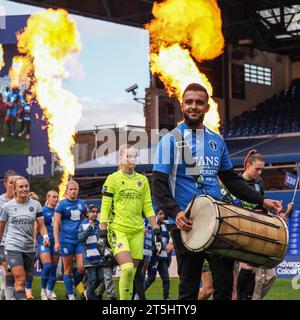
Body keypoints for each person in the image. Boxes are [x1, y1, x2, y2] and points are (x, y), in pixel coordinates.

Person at [152, 83, 283, 300]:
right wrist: (176, 212)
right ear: (182, 105)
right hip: (187, 223)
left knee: (223, 286)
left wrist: (262, 200)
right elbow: (158, 183)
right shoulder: (170, 140)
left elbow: (231, 179)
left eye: (199, 102)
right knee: (188, 288)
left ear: (207, 107)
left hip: (219, 221)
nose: (193, 106)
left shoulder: (216, 140)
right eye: (189, 102)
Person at [99, 144, 162, 300]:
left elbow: (147, 206)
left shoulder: (143, 180)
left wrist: (156, 229)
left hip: (137, 231)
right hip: (118, 229)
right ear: (121, 158)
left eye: (135, 155)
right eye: (129, 155)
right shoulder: (113, 179)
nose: (133, 158)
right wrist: (102, 230)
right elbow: (105, 206)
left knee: (133, 272)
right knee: (126, 269)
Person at [0, 176, 50, 300]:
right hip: (12, 246)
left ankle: (14, 297)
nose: (24, 189)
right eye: (21, 186)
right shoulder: (7, 206)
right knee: (20, 278)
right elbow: (1, 227)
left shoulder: (36, 205)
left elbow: (42, 225)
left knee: (24, 279)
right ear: (15, 189)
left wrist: (45, 236)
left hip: (29, 247)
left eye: (26, 186)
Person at [53, 180, 86, 300]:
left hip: (79, 241)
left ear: (78, 190)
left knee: (81, 268)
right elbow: (56, 224)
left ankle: (75, 287)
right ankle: (71, 295)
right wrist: (56, 242)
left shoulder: (82, 204)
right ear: (67, 190)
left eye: (75, 189)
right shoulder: (61, 205)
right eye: (71, 189)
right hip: (66, 240)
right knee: (67, 269)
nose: (73, 191)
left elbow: (88, 219)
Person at [37, 190, 60, 300]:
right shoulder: (42, 210)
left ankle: (49, 292)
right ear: (48, 197)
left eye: (57, 197)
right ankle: (43, 291)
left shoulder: (59, 211)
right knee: (47, 266)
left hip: (56, 242)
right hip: (44, 241)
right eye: (54, 197)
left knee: (53, 270)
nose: (56, 199)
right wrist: (34, 239)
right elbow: (37, 226)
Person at [145, 209, 171, 300]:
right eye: (160, 214)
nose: (162, 216)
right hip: (154, 257)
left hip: (163, 257)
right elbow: (152, 240)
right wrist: (164, 246)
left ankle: (166, 298)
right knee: (151, 279)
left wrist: (167, 248)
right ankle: (139, 294)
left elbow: (168, 240)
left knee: (166, 279)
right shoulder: (152, 226)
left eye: (163, 214)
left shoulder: (165, 226)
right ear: (156, 214)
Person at [78, 205, 103, 300]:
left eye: (97, 212)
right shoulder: (82, 224)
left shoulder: (99, 224)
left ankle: (89, 294)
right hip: (82, 254)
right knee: (77, 277)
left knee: (96, 279)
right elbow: (81, 238)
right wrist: (89, 227)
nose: (95, 214)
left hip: (96, 256)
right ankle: (80, 294)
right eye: (93, 212)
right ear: (87, 213)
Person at [0, 170, 17, 300]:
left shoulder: (21, 201)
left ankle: (5, 293)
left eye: (15, 183)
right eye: (11, 182)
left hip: (18, 242)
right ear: (5, 183)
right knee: (8, 270)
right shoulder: (0, 201)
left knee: (18, 275)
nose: (13, 185)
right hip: (3, 242)